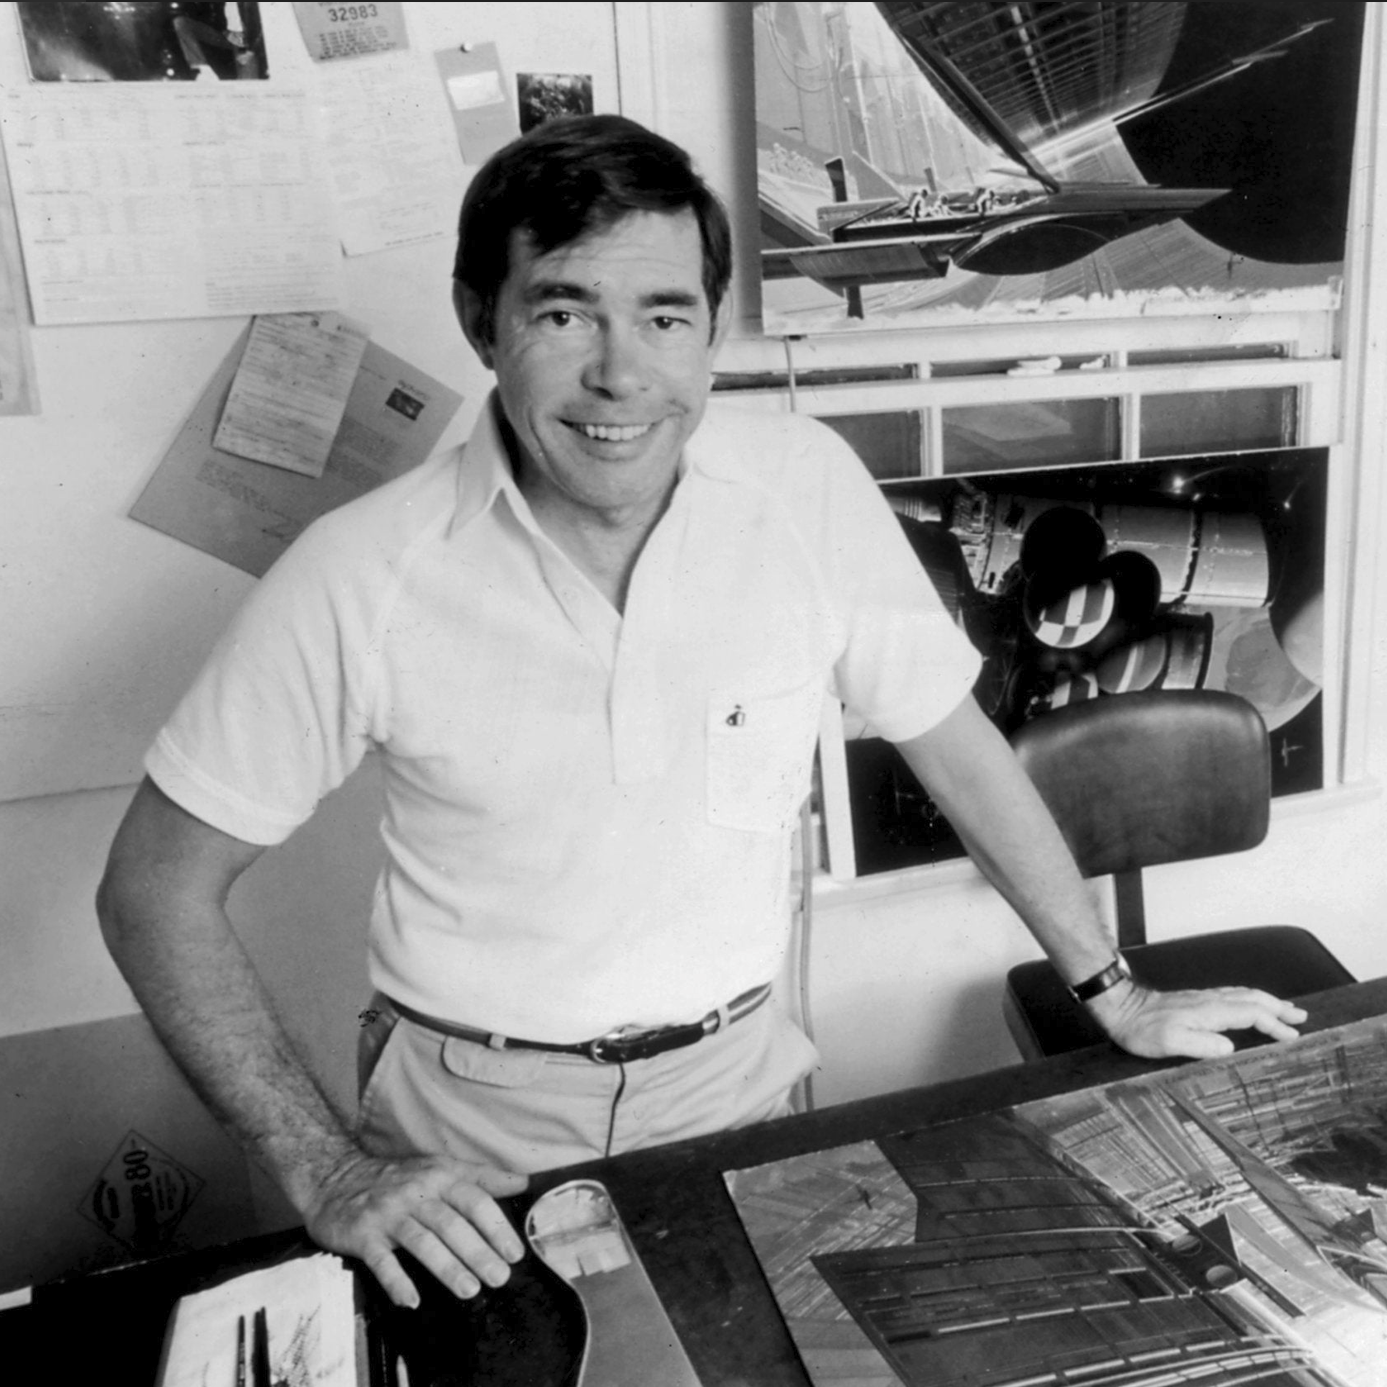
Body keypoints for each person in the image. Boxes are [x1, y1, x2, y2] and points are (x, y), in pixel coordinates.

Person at [97, 114, 1306, 1312]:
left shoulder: (802, 486)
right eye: (563, 312)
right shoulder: (358, 573)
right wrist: (326, 1166)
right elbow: (153, 888)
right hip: (469, 1124)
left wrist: (1115, 989)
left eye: (664, 317)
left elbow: (953, 743)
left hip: (743, 1085)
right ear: (482, 323)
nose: (622, 375)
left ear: (710, 327)